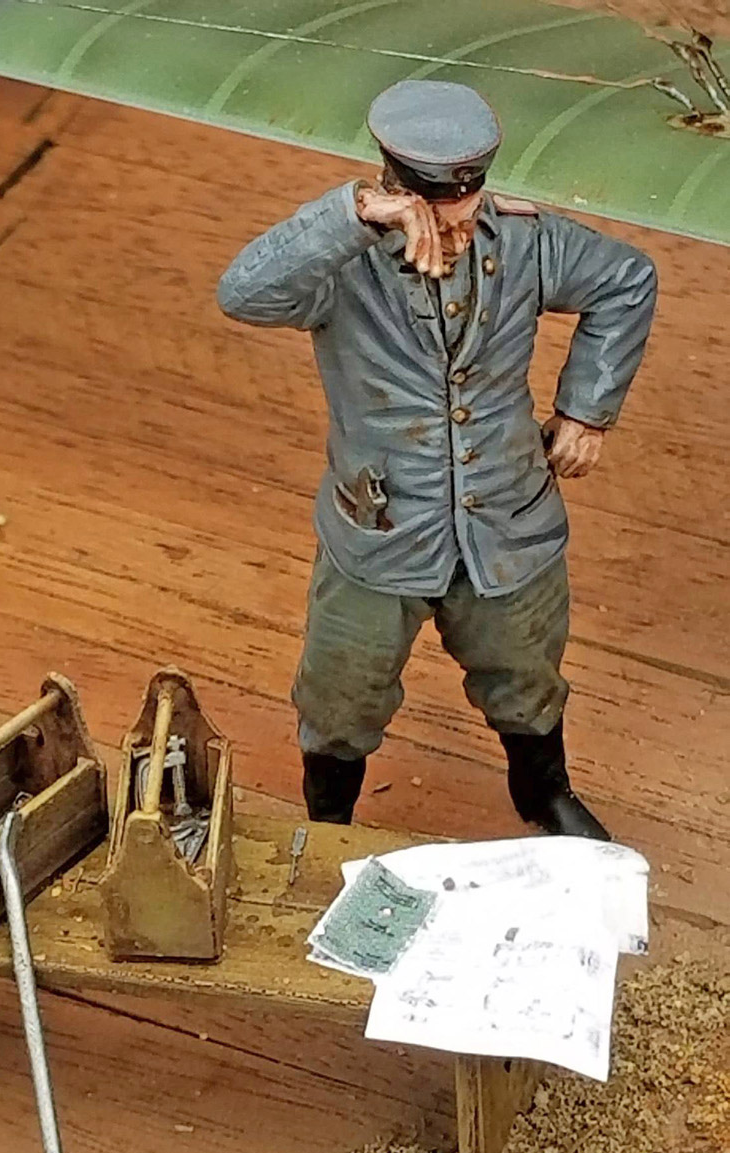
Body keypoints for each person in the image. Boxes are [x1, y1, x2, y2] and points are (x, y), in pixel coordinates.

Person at [216, 80, 657, 837]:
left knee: (526, 671)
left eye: (467, 196)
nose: (455, 218)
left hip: (507, 521)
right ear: (394, 186)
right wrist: (350, 216)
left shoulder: (523, 242)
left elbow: (626, 280)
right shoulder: (340, 261)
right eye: (433, 200)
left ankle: (543, 791)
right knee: (342, 691)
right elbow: (242, 293)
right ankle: (329, 819)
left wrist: (587, 409)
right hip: (381, 528)